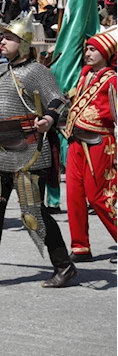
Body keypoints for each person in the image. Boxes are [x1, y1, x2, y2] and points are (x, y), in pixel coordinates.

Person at [0, 13, 75, 288]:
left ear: (24, 43)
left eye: (9, 38)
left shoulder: (38, 71)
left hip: (29, 152)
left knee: (33, 215)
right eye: (1, 38)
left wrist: (48, 119)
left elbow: (57, 100)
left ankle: (64, 267)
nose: (1, 42)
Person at [63, 33, 118, 263]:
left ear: (105, 54)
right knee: (73, 195)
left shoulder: (113, 80)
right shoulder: (84, 77)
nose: (88, 54)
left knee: (99, 197)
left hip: (100, 142)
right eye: (87, 50)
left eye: (93, 50)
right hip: (75, 141)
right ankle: (80, 246)